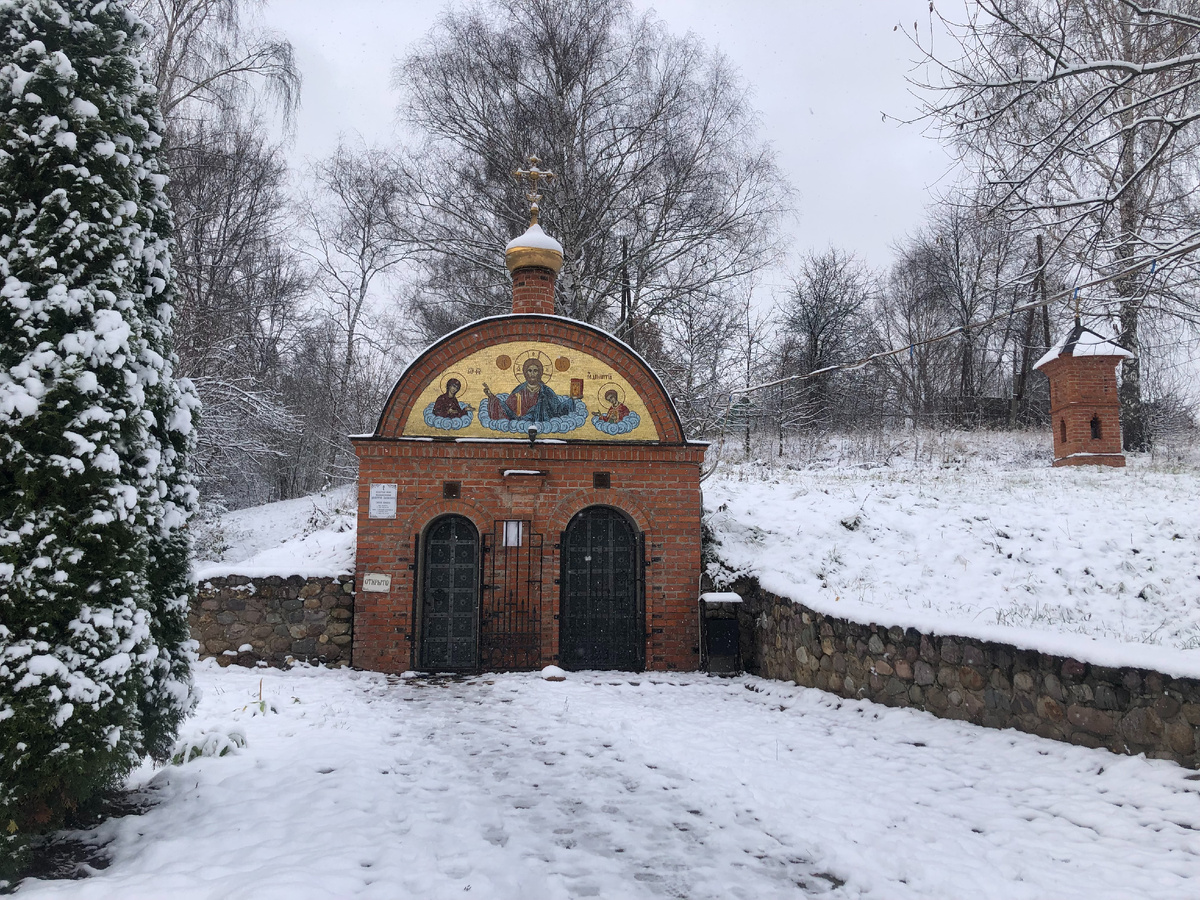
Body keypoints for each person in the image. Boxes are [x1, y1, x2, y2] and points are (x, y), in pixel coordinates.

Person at [483, 358, 574, 421]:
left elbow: (557, 410)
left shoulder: (546, 392)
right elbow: (507, 410)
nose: (532, 374)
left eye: (535, 371)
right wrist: (491, 396)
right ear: (525, 373)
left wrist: (572, 400)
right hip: (521, 425)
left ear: (540, 373)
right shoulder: (518, 391)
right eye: (529, 371)